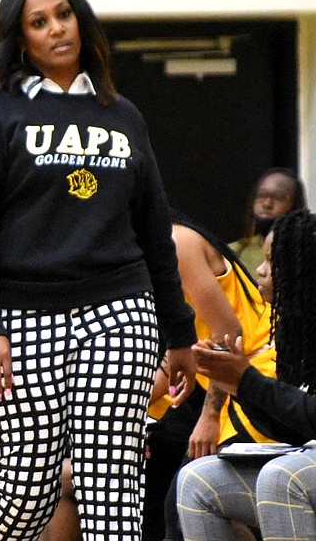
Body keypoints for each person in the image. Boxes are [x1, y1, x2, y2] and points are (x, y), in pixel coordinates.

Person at [0, 0, 197, 540]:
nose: (57, 29)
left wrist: (178, 332)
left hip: (119, 309)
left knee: (111, 480)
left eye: (64, 14)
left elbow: (154, 228)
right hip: (17, 317)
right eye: (39, 22)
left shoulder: (121, 114)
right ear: (19, 37)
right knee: (28, 484)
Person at [177, 209, 316, 540]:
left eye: (273, 262)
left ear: (305, 271)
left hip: (299, 470)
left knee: (282, 477)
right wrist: (237, 385)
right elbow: (292, 427)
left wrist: (248, 381)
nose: (260, 270)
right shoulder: (293, 332)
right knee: (197, 480)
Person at [151, 211, 275, 541]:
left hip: (255, 373)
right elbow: (182, 350)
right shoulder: (149, 249)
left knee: (186, 497)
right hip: (219, 379)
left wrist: (210, 416)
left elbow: (227, 334)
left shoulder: (178, 242)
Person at [228, 167, 306, 273]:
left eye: (278, 197)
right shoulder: (234, 252)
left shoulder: (305, 252)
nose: (267, 204)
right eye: (261, 195)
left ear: (295, 205)